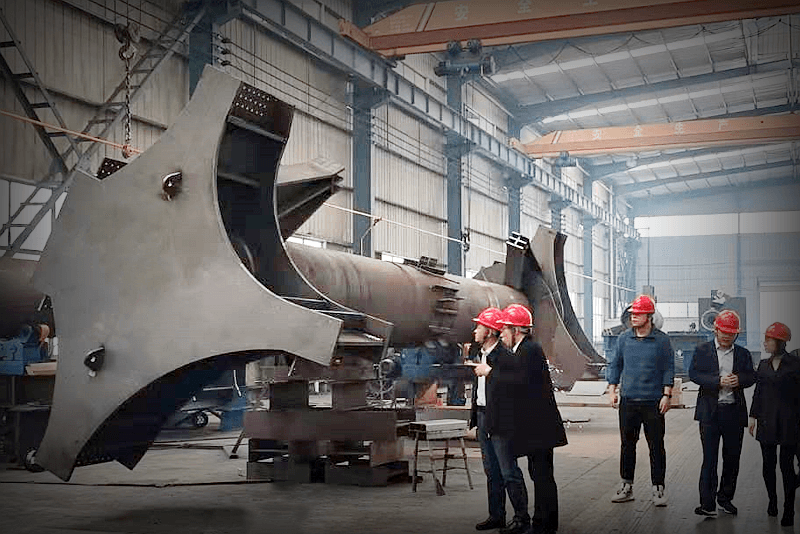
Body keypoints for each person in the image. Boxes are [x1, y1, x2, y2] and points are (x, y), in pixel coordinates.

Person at [499, 304, 567, 534]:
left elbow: (519, 383)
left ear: (516, 330)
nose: (501, 334)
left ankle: (544, 526)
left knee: (542, 477)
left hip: (540, 429)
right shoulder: (524, 350)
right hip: (537, 428)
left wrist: (492, 373)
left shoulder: (529, 350)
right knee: (540, 475)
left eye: (505, 329)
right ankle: (543, 523)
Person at [606, 294, 675, 506]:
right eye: (632, 314)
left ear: (649, 316)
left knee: (656, 446)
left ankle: (658, 488)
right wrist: (612, 389)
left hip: (653, 401)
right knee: (627, 445)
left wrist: (667, 395)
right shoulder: (623, 339)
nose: (633, 317)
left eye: (638, 314)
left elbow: (668, 367)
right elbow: (616, 364)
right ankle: (626, 486)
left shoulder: (662, 340)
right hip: (628, 401)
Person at [688, 310, 755, 517]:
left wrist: (739, 380)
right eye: (723, 332)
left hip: (733, 412)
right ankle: (707, 503)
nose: (727, 336)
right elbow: (694, 374)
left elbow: (751, 376)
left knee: (732, 459)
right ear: (715, 330)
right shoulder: (702, 350)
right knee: (709, 459)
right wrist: (717, 381)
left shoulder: (743, 354)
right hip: (710, 414)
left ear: (737, 334)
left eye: (731, 333)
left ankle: (725, 498)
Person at [468, 307, 530, 534]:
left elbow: (515, 385)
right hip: (483, 416)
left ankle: (522, 519)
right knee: (491, 471)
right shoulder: (481, 353)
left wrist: (490, 372)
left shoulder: (505, 357)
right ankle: (497, 515)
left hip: (500, 420)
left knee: (508, 471)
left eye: (479, 327)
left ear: (490, 331)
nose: (475, 331)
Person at [749, 321, 800, 526]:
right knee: (768, 466)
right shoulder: (763, 365)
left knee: (787, 467)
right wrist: (752, 417)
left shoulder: (795, 365)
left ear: (780, 342)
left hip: (789, 423)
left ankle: (789, 510)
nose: (765, 343)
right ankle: (772, 501)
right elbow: (758, 393)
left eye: (768, 340)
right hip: (767, 421)